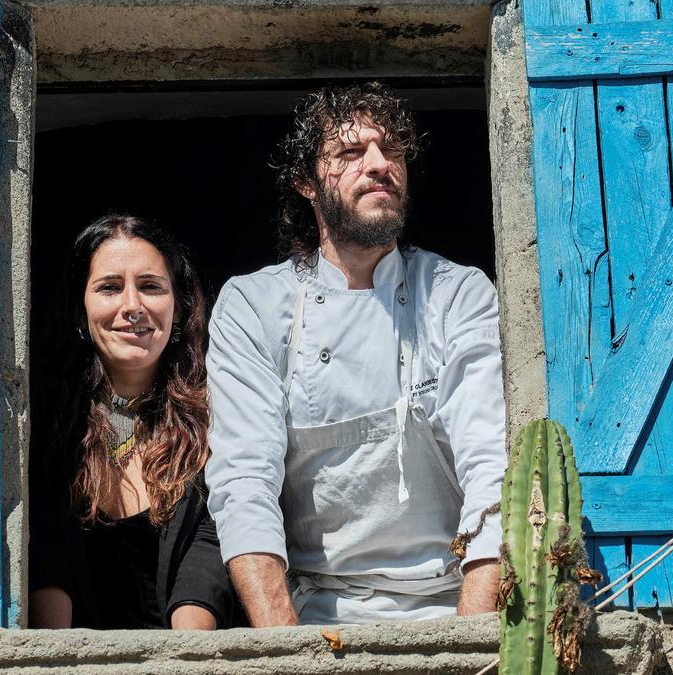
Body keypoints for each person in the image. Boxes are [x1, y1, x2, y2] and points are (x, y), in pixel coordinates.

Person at [205, 82, 506, 626]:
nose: (379, 164)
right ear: (305, 181)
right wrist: (286, 656)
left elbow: (493, 468)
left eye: (391, 150)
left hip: (455, 603)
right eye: (350, 152)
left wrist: (474, 640)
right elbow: (243, 482)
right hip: (315, 614)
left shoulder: (458, 293)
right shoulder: (254, 305)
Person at [29, 214, 236, 630]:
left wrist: (184, 664)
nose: (132, 306)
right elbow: (45, 553)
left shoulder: (220, 413)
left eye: (150, 286)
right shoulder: (44, 423)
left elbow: (208, 552)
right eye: (109, 287)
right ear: (80, 308)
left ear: (178, 308)